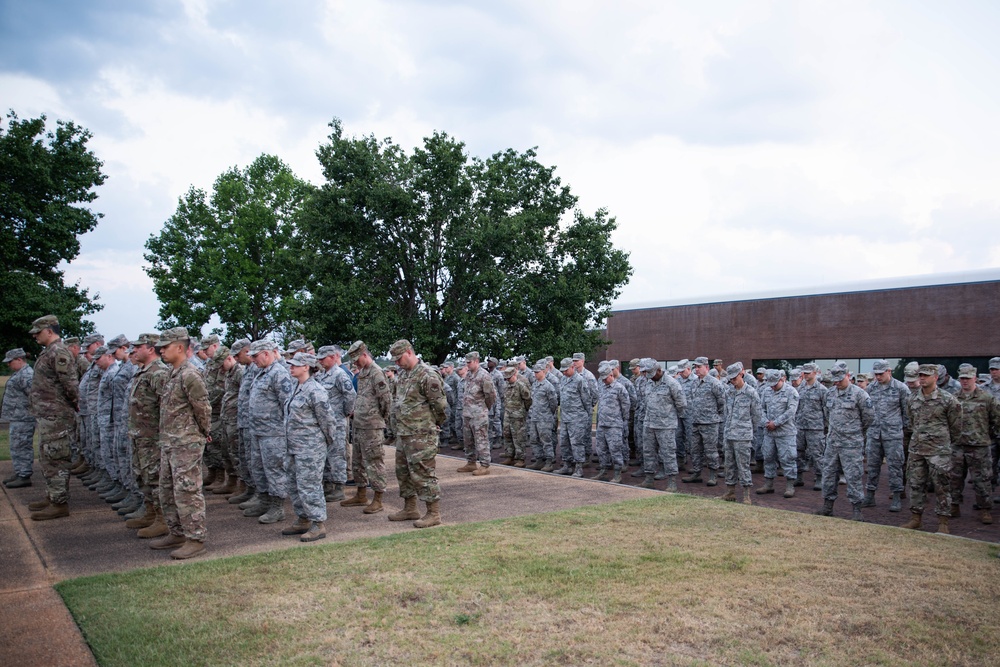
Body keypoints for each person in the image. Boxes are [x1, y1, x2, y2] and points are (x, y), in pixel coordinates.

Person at [150, 327, 211, 559]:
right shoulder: (171, 373)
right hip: (170, 443)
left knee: (188, 491)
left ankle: (195, 538)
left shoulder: (190, 374)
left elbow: (203, 408)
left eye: (165, 347)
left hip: (186, 443)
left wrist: (203, 433)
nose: (161, 351)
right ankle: (177, 532)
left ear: (179, 347)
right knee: (167, 491)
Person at [387, 339, 448, 528]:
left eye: (399, 358)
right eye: (395, 360)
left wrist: (433, 424)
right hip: (404, 433)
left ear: (409, 352)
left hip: (421, 434)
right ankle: (410, 508)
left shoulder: (427, 375)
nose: (397, 363)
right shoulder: (404, 375)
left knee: (423, 472)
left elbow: (440, 406)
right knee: (403, 472)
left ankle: (433, 513)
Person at [281, 353, 337, 542]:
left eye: (296, 365)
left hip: (310, 447)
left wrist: (325, 442)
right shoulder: (296, 387)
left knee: (310, 485)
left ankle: (318, 523)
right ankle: (303, 518)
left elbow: (328, 421)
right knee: (294, 484)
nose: (292, 367)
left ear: (307, 367)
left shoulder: (316, 390)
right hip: (293, 446)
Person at [901, 364, 961, 533]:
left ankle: (943, 522)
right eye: (920, 375)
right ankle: (916, 518)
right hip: (917, 449)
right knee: (915, 484)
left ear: (935, 377)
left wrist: (943, 443)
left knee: (942, 486)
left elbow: (956, 426)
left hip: (938, 451)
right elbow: (912, 422)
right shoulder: (912, 399)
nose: (922, 378)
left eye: (926, 375)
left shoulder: (948, 399)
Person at [815, 362, 875, 521]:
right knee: (828, 474)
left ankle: (856, 510)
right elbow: (827, 414)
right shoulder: (829, 393)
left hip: (852, 443)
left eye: (840, 379)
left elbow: (869, 418)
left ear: (848, 375)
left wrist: (855, 432)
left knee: (853, 476)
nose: (837, 382)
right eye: (835, 380)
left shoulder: (860, 394)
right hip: (833, 442)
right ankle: (828, 506)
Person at [125, 333, 171, 538]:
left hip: (153, 438)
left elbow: (168, 407)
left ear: (151, 349)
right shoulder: (143, 372)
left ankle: (164, 519)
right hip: (140, 436)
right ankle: (151, 513)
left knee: (155, 479)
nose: (133, 350)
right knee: (142, 477)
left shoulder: (158, 373)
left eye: (138, 347)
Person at [245, 340, 293, 523]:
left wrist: (285, 431)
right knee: (258, 468)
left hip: (274, 433)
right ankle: (264, 501)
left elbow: (287, 405)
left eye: (256, 356)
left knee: (274, 470)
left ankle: (277, 507)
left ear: (267, 354)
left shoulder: (279, 374)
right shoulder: (261, 372)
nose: (254, 360)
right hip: (258, 431)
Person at [342, 341, 391, 514]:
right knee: (358, 461)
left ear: (364, 355)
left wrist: (379, 418)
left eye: (356, 359)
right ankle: (361, 494)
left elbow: (386, 401)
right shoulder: (362, 372)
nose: (355, 363)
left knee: (374, 462)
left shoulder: (376, 373)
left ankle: (378, 499)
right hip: (359, 424)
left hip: (372, 426)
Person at [950, 363, 1000, 524]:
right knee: (954, 478)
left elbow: (996, 420)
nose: (965, 381)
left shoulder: (986, 398)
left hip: (979, 446)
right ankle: (954, 505)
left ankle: (985, 509)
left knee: (982, 480)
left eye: (968, 378)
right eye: (962, 378)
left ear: (975, 379)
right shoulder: (953, 398)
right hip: (957, 445)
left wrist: (989, 436)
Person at [863, 359, 910, 512]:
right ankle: (870, 496)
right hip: (874, 434)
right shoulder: (870, 389)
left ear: (889, 371)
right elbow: (867, 411)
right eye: (876, 374)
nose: (878, 377)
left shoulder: (901, 388)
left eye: (881, 374)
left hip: (893, 435)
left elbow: (907, 413)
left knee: (895, 466)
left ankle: (896, 496)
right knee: (872, 466)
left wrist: (901, 430)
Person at [638, 357, 687, 491]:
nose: (649, 377)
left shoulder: (672, 384)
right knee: (648, 452)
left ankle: (672, 482)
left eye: (651, 374)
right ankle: (649, 479)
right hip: (649, 424)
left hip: (666, 426)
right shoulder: (648, 382)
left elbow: (681, 404)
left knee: (668, 453)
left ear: (659, 370)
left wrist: (668, 416)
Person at [315, 345, 355, 503]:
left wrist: (345, 413)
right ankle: (328, 485)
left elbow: (350, 395)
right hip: (325, 422)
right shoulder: (323, 375)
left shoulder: (339, 374)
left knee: (337, 455)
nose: (320, 361)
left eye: (323, 358)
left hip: (337, 421)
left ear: (332, 357)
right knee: (325, 456)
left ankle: (338, 487)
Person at [720, 362, 762, 504]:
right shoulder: (728, 392)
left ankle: (746, 494)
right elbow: (726, 412)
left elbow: (756, 416)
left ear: (741, 374)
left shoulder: (751, 393)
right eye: (730, 379)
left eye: (734, 378)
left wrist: (746, 430)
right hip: (729, 433)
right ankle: (730, 492)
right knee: (729, 465)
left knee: (743, 466)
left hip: (743, 436)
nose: (732, 381)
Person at [757, 369, 800, 499]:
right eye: (770, 384)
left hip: (785, 432)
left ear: (782, 379)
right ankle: (768, 484)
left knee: (787, 458)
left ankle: (790, 485)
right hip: (769, 432)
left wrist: (775, 423)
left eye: (775, 384)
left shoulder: (791, 392)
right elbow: (761, 409)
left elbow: (791, 411)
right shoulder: (766, 391)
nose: (773, 386)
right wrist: (765, 422)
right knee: (768, 457)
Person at [682, 357, 725, 486]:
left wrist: (715, 417)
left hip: (710, 423)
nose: (697, 370)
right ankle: (696, 473)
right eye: (695, 367)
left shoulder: (714, 383)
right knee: (695, 449)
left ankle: (713, 475)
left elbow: (722, 404)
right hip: (695, 422)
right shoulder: (694, 383)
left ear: (706, 367)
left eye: (699, 367)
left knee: (711, 450)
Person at [457, 351, 496, 475]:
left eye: (469, 362)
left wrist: (484, 408)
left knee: (481, 440)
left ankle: (484, 465)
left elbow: (491, 396)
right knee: (468, 440)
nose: (467, 365)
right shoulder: (468, 375)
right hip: (467, 413)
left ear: (476, 361)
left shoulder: (484, 375)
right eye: (466, 362)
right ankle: (471, 462)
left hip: (479, 414)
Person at [2, 348, 36, 488]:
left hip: (24, 418)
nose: (8, 365)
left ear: (19, 360)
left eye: (10, 362)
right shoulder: (20, 373)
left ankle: (24, 475)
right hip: (18, 417)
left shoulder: (27, 375)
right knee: (16, 446)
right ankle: (19, 472)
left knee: (22, 445)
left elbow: (33, 395)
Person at [594, 362, 630, 483]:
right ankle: (603, 471)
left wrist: (622, 421)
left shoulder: (619, 388)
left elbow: (626, 406)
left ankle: (617, 473)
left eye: (605, 378)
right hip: (602, 424)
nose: (604, 381)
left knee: (615, 450)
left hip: (614, 425)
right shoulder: (602, 387)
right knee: (601, 449)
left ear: (611, 375)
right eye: (602, 379)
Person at [796, 362, 829, 491]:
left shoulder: (822, 390)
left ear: (815, 373)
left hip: (816, 428)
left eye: (808, 373)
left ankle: (820, 477)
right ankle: (799, 476)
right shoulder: (800, 389)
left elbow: (826, 410)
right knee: (798, 453)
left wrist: (825, 426)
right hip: (800, 426)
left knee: (817, 454)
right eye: (804, 373)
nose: (805, 375)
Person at [527, 361, 558, 471]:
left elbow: (553, 403)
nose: (535, 374)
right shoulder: (535, 384)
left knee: (546, 440)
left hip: (544, 418)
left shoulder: (548, 386)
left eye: (537, 372)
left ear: (543, 371)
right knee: (534, 439)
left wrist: (547, 414)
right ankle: (539, 460)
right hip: (534, 417)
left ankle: (549, 462)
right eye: (534, 372)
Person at [499, 365, 532, 467]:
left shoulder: (521, 385)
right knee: (507, 435)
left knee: (518, 437)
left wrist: (522, 411)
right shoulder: (506, 385)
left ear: (514, 375)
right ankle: (510, 456)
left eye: (509, 378)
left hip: (518, 415)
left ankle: (520, 459)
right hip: (508, 414)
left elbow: (528, 400)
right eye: (506, 378)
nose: (508, 380)